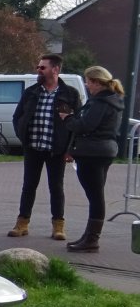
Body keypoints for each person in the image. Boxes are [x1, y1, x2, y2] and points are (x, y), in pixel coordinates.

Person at [8, 53, 80, 240]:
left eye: (42, 67)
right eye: (38, 67)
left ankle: (58, 226)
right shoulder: (32, 92)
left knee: (56, 187)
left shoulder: (69, 94)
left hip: (56, 149)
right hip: (33, 147)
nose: (38, 70)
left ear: (55, 70)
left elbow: (77, 124)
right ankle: (22, 223)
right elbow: (17, 116)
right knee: (28, 186)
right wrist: (22, 135)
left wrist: (71, 149)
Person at [58, 65, 125, 253]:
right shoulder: (112, 100)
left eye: (88, 82)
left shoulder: (100, 103)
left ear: (97, 82)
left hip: (92, 152)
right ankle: (89, 236)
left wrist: (67, 119)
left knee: (95, 196)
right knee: (96, 194)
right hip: (105, 150)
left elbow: (86, 126)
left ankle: (92, 239)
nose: (87, 85)